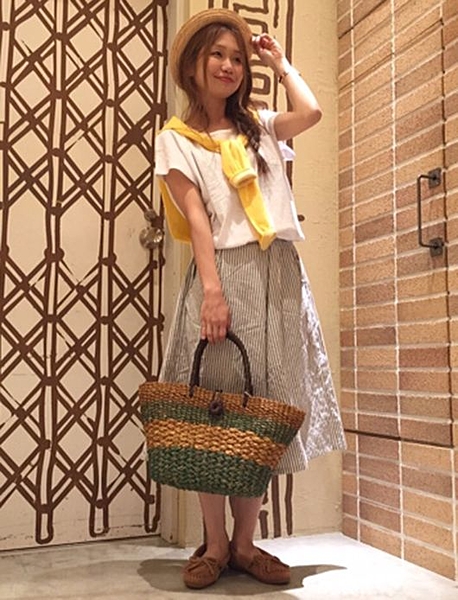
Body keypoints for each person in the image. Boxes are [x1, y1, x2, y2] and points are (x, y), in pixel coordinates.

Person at [154, 8, 346, 590]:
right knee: (214, 408)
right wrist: (212, 293)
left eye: (237, 58)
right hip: (223, 273)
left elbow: (310, 112)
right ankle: (213, 545)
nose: (229, 65)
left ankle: (244, 544)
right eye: (217, 54)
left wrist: (280, 63)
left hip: (277, 275)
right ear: (193, 64)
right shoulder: (176, 139)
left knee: (260, 409)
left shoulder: (258, 127)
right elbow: (198, 220)